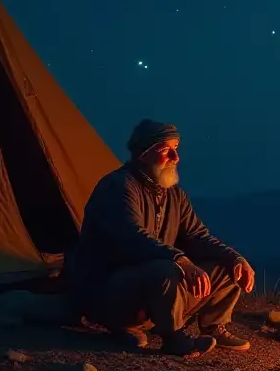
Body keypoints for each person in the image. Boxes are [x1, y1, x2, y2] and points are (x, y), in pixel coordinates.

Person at [63, 119, 256, 356]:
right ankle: (173, 338)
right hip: (111, 290)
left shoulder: (174, 195)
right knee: (165, 269)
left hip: (155, 289)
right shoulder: (117, 187)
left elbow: (197, 235)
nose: (175, 157)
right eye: (167, 150)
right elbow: (132, 236)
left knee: (228, 266)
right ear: (144, 154)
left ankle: (214, 326)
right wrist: (180, 260)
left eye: (176, 149)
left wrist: (235, 258)